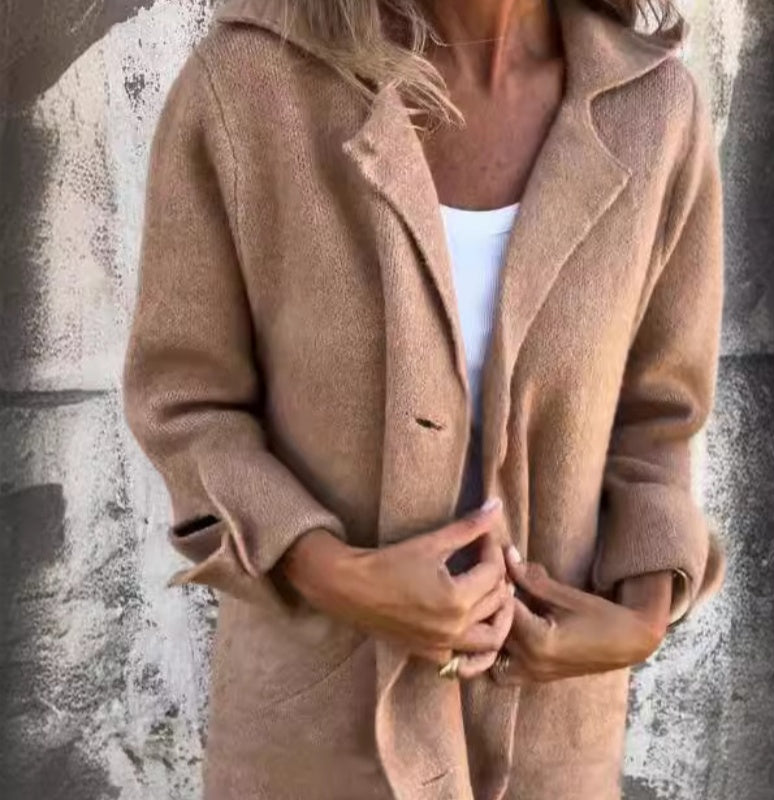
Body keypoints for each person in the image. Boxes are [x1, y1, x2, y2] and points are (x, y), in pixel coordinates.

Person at [122, 0, 725, 797]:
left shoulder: (654, 111)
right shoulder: (248, 86)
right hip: (315, 738)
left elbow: (659, 417)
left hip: (550, 742)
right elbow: (187, 401)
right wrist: (334, 573)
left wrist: (641, 616)